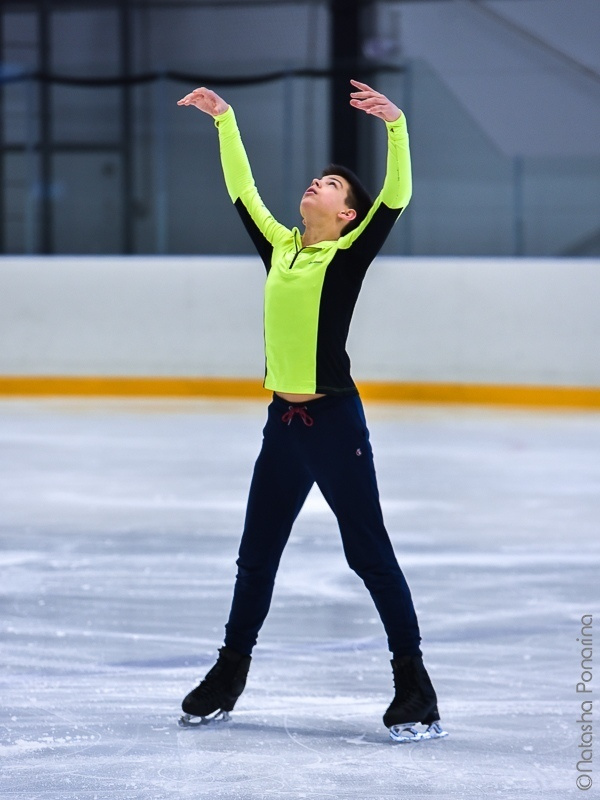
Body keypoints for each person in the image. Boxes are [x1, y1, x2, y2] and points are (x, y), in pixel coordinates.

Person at [176, 80, 447, 742]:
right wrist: (225, 120)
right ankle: (229, 673)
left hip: (334, 425)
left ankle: (415, 687)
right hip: (284, 428)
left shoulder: (346, 256)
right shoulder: (281, 248)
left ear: (347, 214)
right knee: (255, 556)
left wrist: (396, 127)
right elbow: (243, 192)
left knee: (368, 553)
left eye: (330, 185)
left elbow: (397, 197)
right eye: (317, 179)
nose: (316, 185)